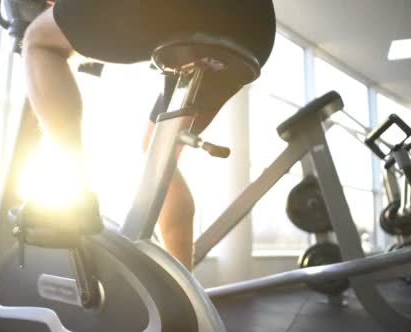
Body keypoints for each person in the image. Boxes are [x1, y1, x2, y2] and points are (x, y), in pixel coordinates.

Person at [20, 0, 276, 270]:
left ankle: (73, 195)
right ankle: (183, 290)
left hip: (179, 10)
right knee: (160, 157)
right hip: (253, 31)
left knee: (39, 41)